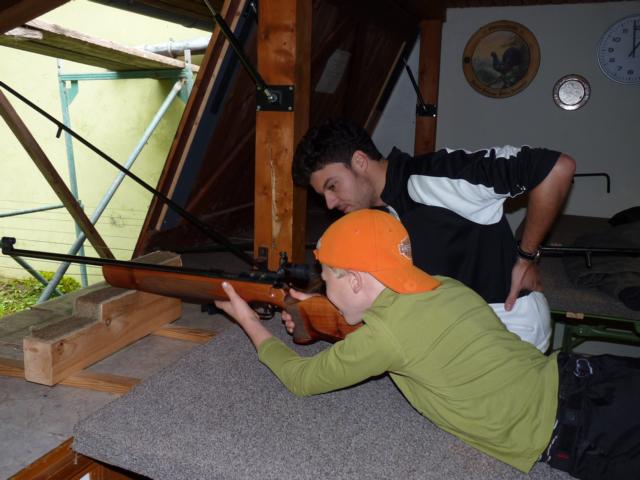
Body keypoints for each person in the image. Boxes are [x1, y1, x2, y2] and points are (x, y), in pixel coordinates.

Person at [215, 209, 640, 479]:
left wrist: (249, 322)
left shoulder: (385, 338)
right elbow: (407, 326)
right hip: (586, 374)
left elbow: (300, 379)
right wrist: (321, 309)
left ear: (357, 281)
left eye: (327, 280)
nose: (324, 287)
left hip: (583, 430)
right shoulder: (444, 285)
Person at [291, 119, 577, 352]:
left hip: (508, 327)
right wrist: (323, 308)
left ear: (360, 161)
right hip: (451, 325)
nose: (329, 203)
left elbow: (556, 168)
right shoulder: (374, 217)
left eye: (332, 186)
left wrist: (526, 257)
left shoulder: (437, 176)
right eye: (323, 194)